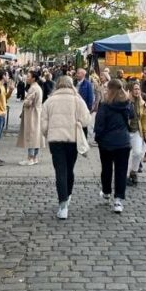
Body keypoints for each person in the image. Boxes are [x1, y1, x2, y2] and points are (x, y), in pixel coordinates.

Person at [42, 75, 91, 219]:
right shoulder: (78, 100)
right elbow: (86, 119)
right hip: (72, 139)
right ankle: (68, 195)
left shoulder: (50, 101)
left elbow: (44, 124)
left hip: (56, 140)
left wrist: (48, 133)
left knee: (60, 171)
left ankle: (63, 205)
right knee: (69, 169)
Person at [93, 79, 134, 213]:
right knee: (121, 171)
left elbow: (99, 124)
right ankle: (118, 200)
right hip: (123, 141)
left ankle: (106, 192)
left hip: (107, 142)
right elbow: (132, 116)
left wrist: (98, 138)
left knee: (106, 168)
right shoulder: (127, 103)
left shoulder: (105, 105)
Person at [18, 70, 44, 165]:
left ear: (33, 78)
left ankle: (30, 158)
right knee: (36, 135)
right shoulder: (37, 87)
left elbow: (28, 102)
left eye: (28, 76)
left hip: (32, 113)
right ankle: (35, 157)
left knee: (31, 135)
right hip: (37, 113)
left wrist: (25, 100)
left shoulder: (33, 88)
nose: (26, 78)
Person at [128, 82, 146, 186]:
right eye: (135, 89)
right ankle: (125, 175)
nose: (136, 91)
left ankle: (134, 171)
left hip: (137, 130)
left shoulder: (142, 102)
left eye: (138, 89)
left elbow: (145, 118)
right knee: (125, 155)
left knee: (138, 152)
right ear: (130, 90)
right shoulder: (125, 101)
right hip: (126, 131)